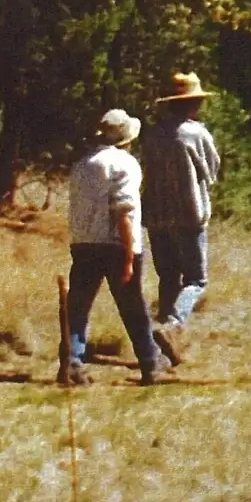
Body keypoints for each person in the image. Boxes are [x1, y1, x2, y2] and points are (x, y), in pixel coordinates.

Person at [62, 109, 167, 384]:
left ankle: (72, 361)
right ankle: (150, 361)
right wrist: (130, 254)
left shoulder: (82, 164)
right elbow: (124, 210)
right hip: (116, 244)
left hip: (84, 243)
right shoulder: (125, 164)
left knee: (79, 306)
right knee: (132, 305)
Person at [140, 72, 221, 355]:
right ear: (191, 103)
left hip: (157, 214)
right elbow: (212, 171)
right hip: (190, 214)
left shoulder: (152, 134)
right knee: (196, 279)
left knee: (168, 276)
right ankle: (173, 323)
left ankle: (161, 347)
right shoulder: (196, 133)